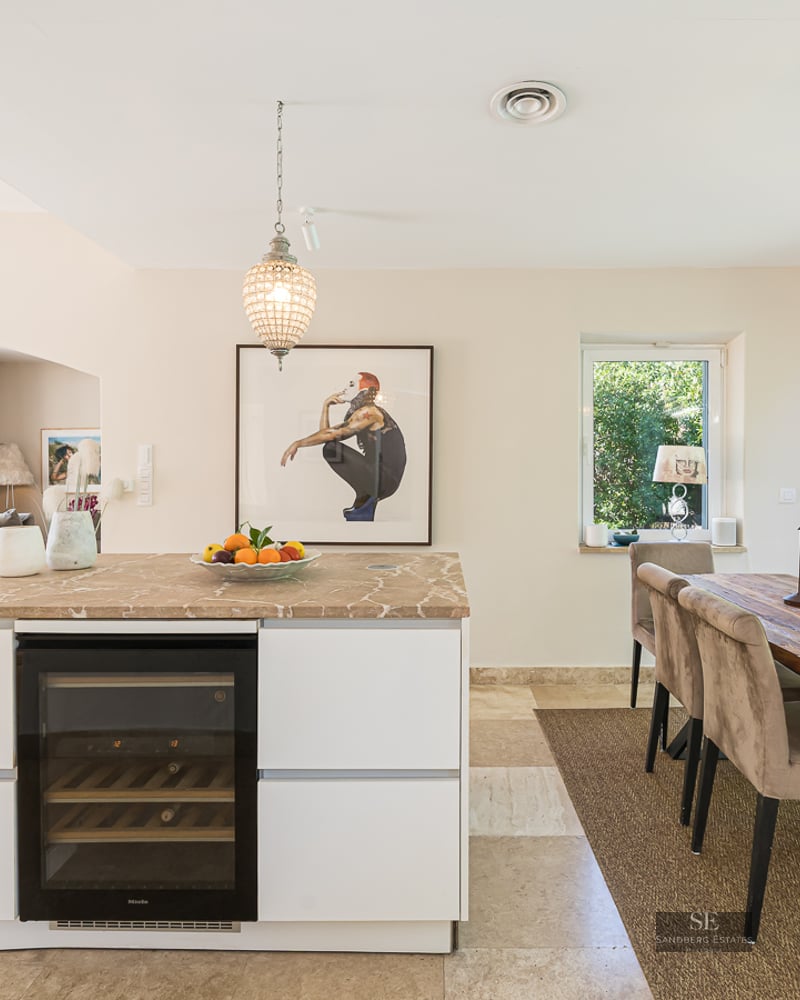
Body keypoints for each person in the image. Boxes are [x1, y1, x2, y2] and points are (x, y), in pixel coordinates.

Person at [281, 372, 406, 521]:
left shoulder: (369, 412)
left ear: (365, 391)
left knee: (331, 449)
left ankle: (367, 498)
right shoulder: (362, 413)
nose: (345, 389)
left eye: (351, 385)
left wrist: (297, 443)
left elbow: (330, 435)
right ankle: (364, 498)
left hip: (385, 478)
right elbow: (326, 434)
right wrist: (326, 406)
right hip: (380, 475)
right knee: (330, 447)